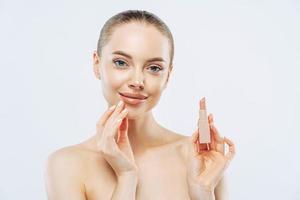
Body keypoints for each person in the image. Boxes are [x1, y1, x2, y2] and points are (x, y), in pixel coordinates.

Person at [44, 9, 235, 200]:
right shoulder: (66, 165)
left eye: (154, 68)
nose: (137, 81)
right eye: (121, 63)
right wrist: (127, 177)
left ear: (168, 75)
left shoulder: (200, 160)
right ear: (97, 64)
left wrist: (202, 192)